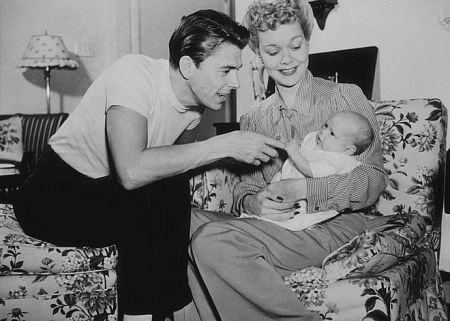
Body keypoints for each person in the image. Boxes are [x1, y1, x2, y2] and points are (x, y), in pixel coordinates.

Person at [12, 9, 285, 321]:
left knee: (168, 190)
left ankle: (164, 313)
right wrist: (221, 144)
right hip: (51, 196)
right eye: (225, 70)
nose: (235, 82)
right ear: (187, 65)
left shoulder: (194, 109)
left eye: (237, 70)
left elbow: (174, 166)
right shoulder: (134, 74)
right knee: (162, 189)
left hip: (108, 198)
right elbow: (132, 171)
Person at [188, 1, 388, 320]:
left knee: (212, 241)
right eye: (272, 51)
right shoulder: (254, 118)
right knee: (184, 223)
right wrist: (254, 202)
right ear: (257, 53)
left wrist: (307, 190)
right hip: (278, 225)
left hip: (333, 224)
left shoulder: (345, 96)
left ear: (307, 42)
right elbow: (245, 188)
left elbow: (374, 179)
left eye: (295, 46)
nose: (286, 59)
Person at [242, 110, 374, 231]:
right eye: (325, 125)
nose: (323, 132)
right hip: (281, 186)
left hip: (308, 203)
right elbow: (303, 149)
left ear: (348, 150)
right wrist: (286, 145)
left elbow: (311, 171)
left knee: (288, 219)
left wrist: (294, 154)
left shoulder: (338, 160)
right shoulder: (318, 142)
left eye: (332, 133)